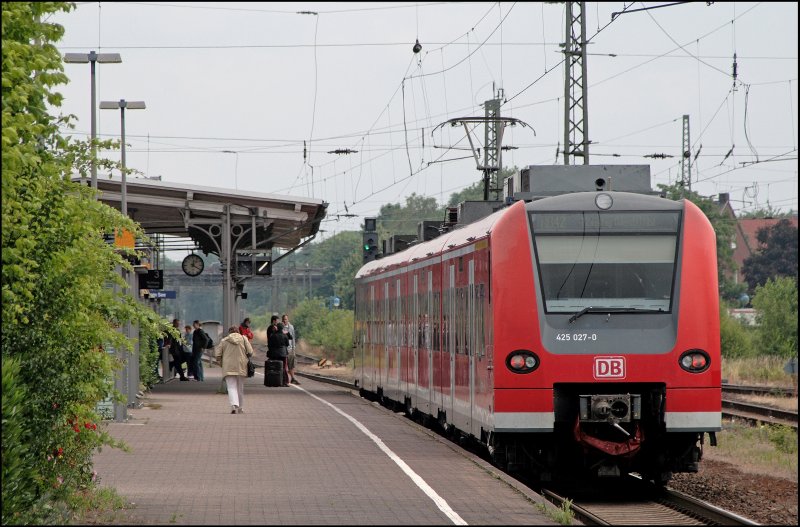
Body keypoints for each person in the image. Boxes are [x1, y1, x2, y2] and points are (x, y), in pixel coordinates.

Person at [215, 326, 253, 414]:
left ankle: (233, 405)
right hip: (241, 366)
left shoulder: (224, 341)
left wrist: (222, 364)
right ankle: (240, 408)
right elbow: (250, 351)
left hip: (228, 367)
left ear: (229, 333)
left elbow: (218, 355)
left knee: (231, 387)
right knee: (240, 388)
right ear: (238, 332)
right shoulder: (244, 339)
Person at [267, 322, 290, 387]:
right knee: (284, 368)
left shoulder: (273, 335)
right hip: (283, 354)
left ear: (277, 328)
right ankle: (285, 382)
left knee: (275, 368)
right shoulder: (285, 335)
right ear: (282, 328)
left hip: (274, 354)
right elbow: (287, 344)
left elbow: (269, 345)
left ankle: (275, 381)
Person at [282, 313, 299, 385]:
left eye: (286, 319)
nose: (285, 320)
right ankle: (286, 379)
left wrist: (294, 348)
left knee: (291, 364)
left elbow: (293, 338)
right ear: (282, 320)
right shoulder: (280, 327)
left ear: (288, 319)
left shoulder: (291, 327)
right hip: (283, 349)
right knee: (284, 364)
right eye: (283, 319)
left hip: (290, 349)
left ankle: (292, 378)